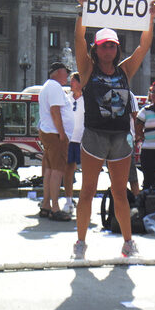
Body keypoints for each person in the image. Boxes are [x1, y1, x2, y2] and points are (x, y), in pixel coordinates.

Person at [72, 0, 155, 259]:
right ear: (96, 49)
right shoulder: (87, 69)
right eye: (103, 45)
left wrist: (151, 19)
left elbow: (144, 46)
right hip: (94, 136)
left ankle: (128, 242)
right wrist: (82, 11)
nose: (108, 49)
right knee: (87, 191)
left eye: (112, 45)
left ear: (117, 48)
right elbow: (78, 40)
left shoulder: (125, 70)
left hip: (121, 138)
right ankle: (80, 243)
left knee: (120, 193)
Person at [38, 61, 75, 222]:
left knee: (49, 171)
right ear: (58, 72)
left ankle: (46, 205)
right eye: (65, 72)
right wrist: (62, 133)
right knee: (57, 171)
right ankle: (55, 208)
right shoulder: (54, 87)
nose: (67, 75)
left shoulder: (48, 86)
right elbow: (55, 111)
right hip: (54, 134)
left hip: (49, 132)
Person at [63, 72, 84, 214]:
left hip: (83, 141)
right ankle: (69, 200)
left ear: (80, 83)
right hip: (70, 140)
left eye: (73, 81)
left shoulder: (87, 100)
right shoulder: (66, 99)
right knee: (68, 170)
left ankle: (84, 201)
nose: (71, 83)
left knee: (88, 172)